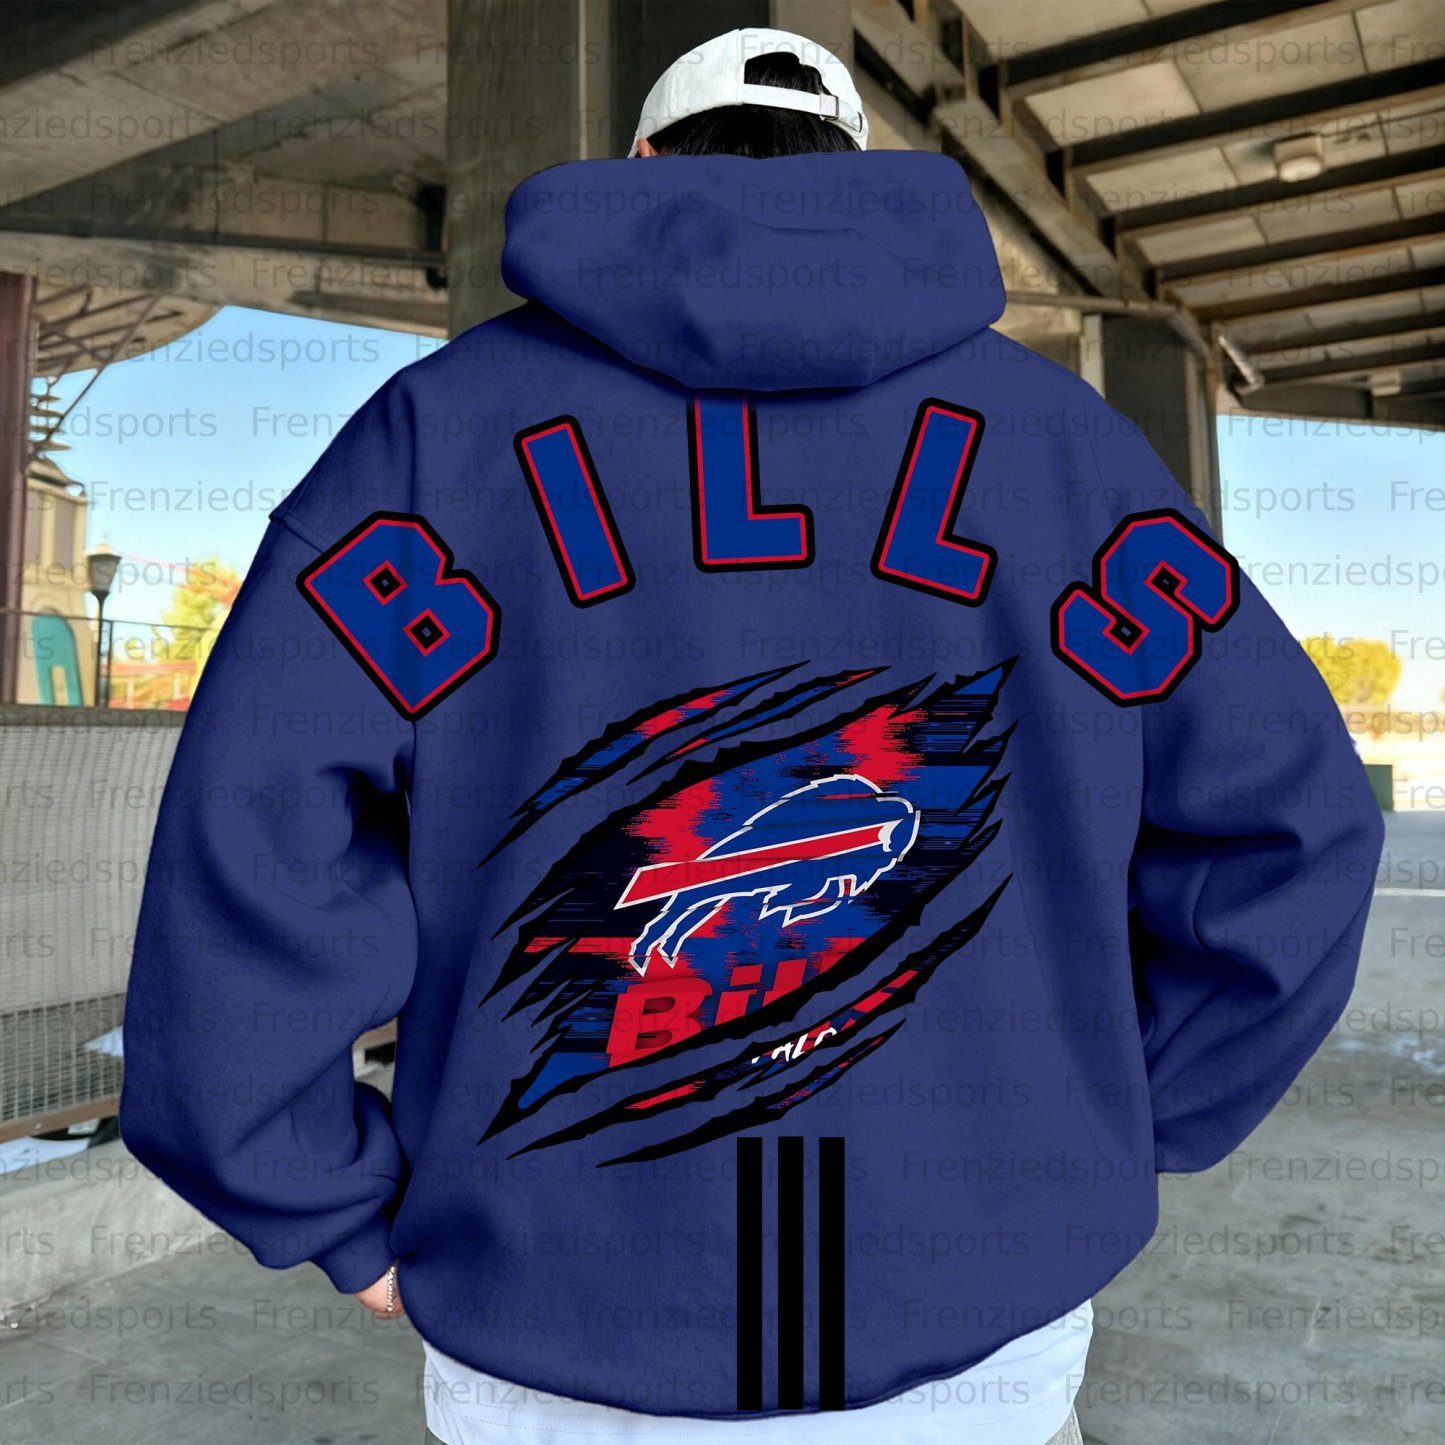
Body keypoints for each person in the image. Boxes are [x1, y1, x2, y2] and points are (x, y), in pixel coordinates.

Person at [119, 26, 1384, 1445]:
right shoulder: (1063, 447)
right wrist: (1118, 1122)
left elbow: (253, 834)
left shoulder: (434, 436)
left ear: (641, 163)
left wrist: (311, 1191)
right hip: (980, 1313)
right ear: (858, 169)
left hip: (557, 1318)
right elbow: (1296, 828)